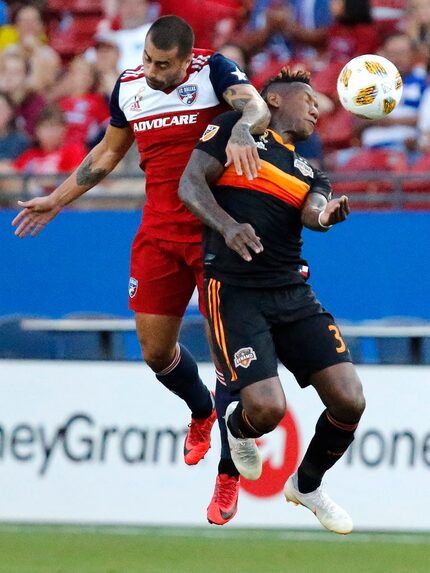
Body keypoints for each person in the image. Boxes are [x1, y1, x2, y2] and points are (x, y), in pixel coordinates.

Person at [12, 15, 270, 522]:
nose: (151, 69)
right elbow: (107, 154)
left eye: (163, 64)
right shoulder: (129, 86)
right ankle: (199, 409)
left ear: (185, 58)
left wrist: (241, 127)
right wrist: (57, 200)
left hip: (213, 233)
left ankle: (227, 473)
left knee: (226, 358)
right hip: (157, 234)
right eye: (148, 59)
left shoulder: (213, 72)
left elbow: (256, 106)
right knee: (155, 352)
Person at [179, 68, 366, 533]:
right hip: (235, 290)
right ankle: (238, 428)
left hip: (291, 291)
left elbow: (313, 214)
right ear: (275, 100)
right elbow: (189, 185)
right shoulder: (232, 129)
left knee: (350, 400)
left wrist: (327, 215)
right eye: (308, 99)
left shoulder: (310, 170)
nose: (316, 109)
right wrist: (226, 225)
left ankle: (307, 485)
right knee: (265, 411)